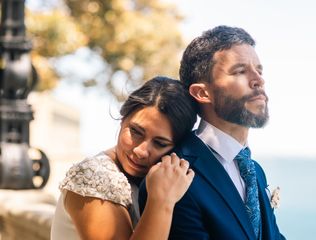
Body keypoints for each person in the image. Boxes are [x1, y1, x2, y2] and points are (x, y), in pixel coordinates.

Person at [139, 26, 286, 239]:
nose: (258, 80)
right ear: (202, 93)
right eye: (240, 71)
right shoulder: (175, 177)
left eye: (259, 70)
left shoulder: (255, 171)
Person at [50, 76, 197, 240]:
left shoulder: (151, 180)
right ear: (122, 119)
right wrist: (162, 201)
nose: (141, 151)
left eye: (160, 143)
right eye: (135, 132)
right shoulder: (95, 177)